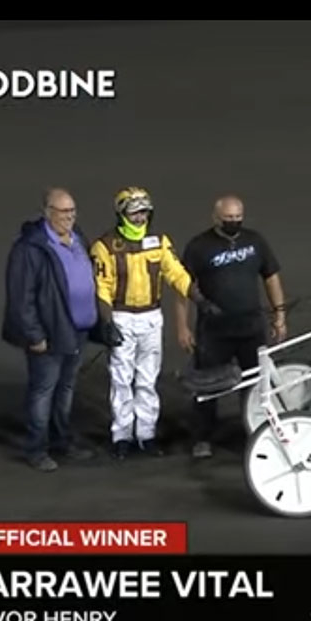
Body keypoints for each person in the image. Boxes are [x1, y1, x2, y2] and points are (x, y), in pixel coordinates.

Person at [89, 186, 221, 460]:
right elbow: (102, 286)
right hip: (122, 317)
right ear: (121, 214)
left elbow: (177, 273)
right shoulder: (105, 247)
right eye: (134, 213)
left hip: (151, 318)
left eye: (144, 212)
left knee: (148, 380)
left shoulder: (159, 242)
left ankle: (146, 435)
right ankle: (122, 437)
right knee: (121, 380)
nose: (140, 218)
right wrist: (107, 322)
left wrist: (199, 299)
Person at [2, 188, 115, 471]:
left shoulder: (77, 238)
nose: (69, 217)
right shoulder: (30, 249)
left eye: (72, 211)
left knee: (66, 389)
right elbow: (21, 297)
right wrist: (34, 335)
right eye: (63, 212)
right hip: (49, 335)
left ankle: (61, 441)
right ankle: (37, 449)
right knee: (43, 391)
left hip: (77, 331)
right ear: (47, 212)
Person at [175, 195, 287, 459]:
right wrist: (182, 326)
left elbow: (271, 277)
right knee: (207, 386)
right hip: (214, 331)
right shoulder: (199, 246)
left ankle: (256, 431)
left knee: (257, 385)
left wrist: (280, 315)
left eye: (238, 218)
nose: (234, 222)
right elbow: (182, 288)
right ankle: (203, 437)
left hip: (251, 327)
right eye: (228, 218)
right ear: (216, 218)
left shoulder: (255, 241)